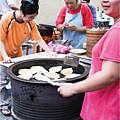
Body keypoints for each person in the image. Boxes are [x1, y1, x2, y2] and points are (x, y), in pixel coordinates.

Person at [57, 0, 120, 119]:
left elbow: (110, 74)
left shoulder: (117, 31)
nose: (104, 0)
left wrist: (73, 88)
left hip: (105, 109)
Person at [0, 0, 57, 116]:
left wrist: (50, 52)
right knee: (2, 82)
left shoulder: (30, 23)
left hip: (17, 54)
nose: (31, 20)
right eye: (30, 17)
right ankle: (3, 104)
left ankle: (17, 103)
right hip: (2, 54)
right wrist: (5, 57)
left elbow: (38, 39)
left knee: (17, 80)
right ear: (21, 12)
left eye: (33, 17)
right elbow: (0, 39)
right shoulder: (7, 18)